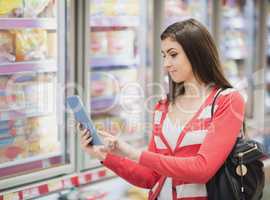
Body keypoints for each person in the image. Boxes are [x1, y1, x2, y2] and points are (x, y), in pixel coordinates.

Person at [78, 18, 245, 200]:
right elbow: (150, 177)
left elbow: (202, 169)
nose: (166, 63)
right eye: (164, 55)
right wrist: (104, 156)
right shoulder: (163, 105)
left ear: (197, 53)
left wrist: (132, 153)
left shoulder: (227, 100)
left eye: (173, 54)